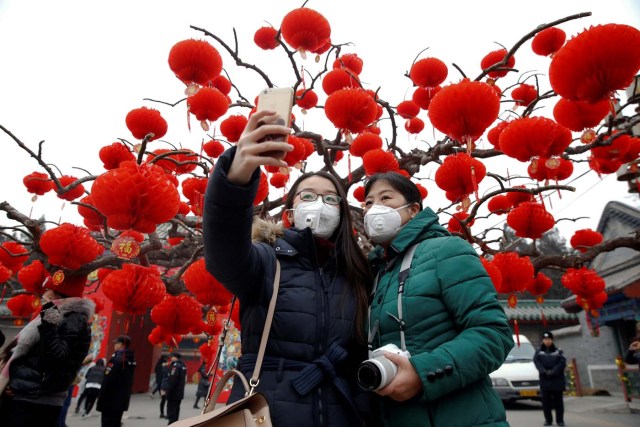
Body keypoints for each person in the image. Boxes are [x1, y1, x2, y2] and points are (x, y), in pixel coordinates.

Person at [203, 109, 375, 427]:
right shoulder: (266, 261)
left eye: (330, 199)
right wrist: (235, 182)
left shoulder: (358, 275)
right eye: (308, 196)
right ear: (291, 211)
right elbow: (223, 252)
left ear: (343, 212)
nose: (319, 204)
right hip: (268, 414)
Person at [362, 172, 514, 426]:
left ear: (413, 210)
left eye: (386, 197)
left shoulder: (447, 250)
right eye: (368, 203)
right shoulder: (376, 271)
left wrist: (422, 374)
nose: (375, 208)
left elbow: (493, 333)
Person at [0, 274, 94, 427]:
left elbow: (56, 358)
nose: (44, 294)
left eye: (49, 289)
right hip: (26, 396)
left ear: (58, 293)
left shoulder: (73, 319)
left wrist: (49, 317)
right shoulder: (56, 315)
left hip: (37, 401)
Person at [97, 335, 136, 427]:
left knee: (108, 423)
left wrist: (101, 397)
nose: (114, 345)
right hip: (121, 399)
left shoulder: (117, 360)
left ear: (121, 345)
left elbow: (108, 380)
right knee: (116, 422)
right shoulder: (130, 359)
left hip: (110, 399)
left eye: (116, 343)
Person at [533, 331, 566, 426]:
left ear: (552, 340)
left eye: (549, 339)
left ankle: (560, 420)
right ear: (543, 340)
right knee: (546, 402)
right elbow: (537, 362)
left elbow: (562, 363)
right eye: (545, 339)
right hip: (545, 380)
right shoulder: (539, 352)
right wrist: (544, 371)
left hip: (557, 380)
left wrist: (553, 371)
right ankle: (548, 420)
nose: (547, 341)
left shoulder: (558, 351)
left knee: (558, 402)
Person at [165, 352, 187, 424]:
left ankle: (171, 424)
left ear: (175, 357)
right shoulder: (183, 365)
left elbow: (173, 380)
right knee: (176, 409)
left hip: (174, 393)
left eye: (171, 357)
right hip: (179, 392)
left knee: (172, 409)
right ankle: (175, 423)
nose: (170, 358)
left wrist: (168, 392)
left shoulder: (175, 366)